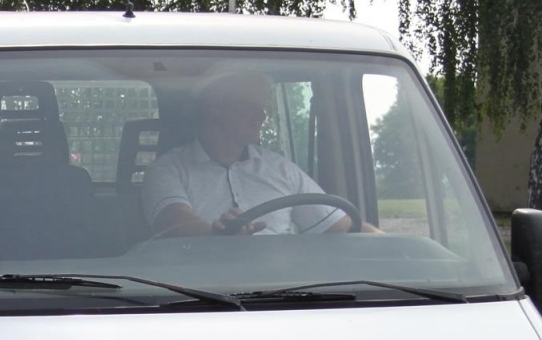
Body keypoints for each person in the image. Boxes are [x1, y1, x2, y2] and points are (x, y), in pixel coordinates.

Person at [142, 71, 373, 238]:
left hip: (288, 296)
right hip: (202, 297)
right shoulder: (168, 170)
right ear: (216, 108)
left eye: (264, 110)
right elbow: (173, 222)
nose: (262, 117)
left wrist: (395, 245)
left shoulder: (281, 169)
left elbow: (341, 226)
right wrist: (217, 235)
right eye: (251, 107)